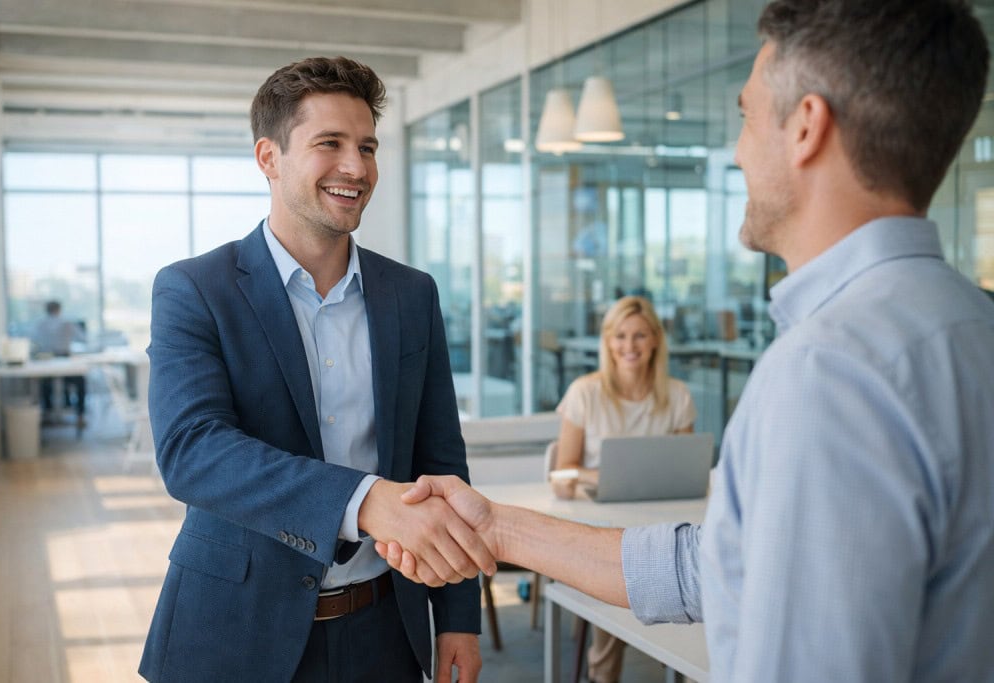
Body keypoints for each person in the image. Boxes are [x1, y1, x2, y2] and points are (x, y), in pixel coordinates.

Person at [379, 1, 994, 680]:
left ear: (807, 129)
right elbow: (718, 565)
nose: (735, 153)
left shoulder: (829, 369)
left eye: (746, 116)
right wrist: (498, 527)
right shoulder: (970, 322)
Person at [139, 57, 494, 683]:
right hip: (235, 632)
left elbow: (441, 458)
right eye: (328, 144)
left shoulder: (411, 295)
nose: (355, 168)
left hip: (386, 628)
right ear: (268, 157)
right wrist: (364, 503)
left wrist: (459, 617)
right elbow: (193, 450)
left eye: (367, 147)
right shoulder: (194, 289)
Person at [552, 295, 694, 683]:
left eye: (639, 336)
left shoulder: (677, 396)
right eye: (620, 336)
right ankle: (603, 674)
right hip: (605, 529)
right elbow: (564, 468)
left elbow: (686, 468)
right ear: (608, 341)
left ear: (655, 341)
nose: (629, 346)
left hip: (663, 524)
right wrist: (604, 477)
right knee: (617, 600)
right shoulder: (585, 392)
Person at [31, 299, 87, 427]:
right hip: (65, 361)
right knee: (81, 381)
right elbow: (82, 338)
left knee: (43, 383)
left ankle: (47, 413)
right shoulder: (66, 322)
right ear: (59, 309)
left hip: (46, 361)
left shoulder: (40, 324)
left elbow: (33, 340)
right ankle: (80, 416)